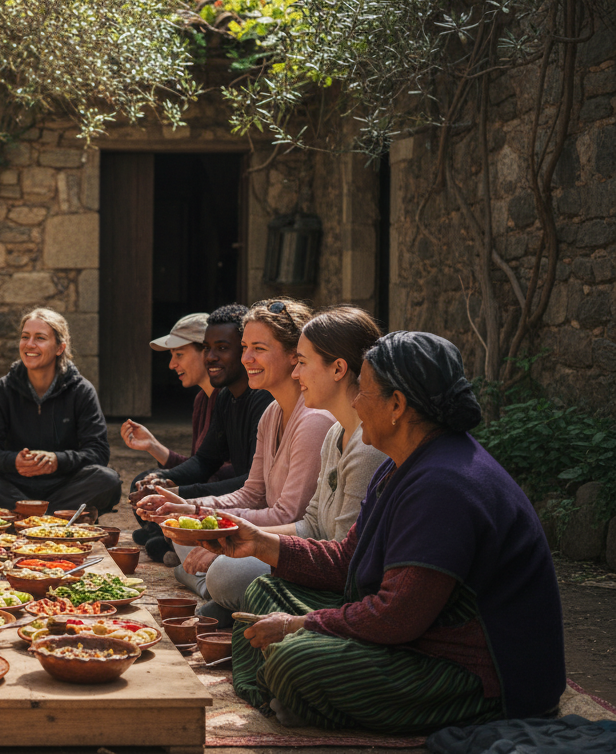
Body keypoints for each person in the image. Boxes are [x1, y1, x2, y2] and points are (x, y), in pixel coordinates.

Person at [199, 332, 565, 733]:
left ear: (397, 405)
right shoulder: (399, 464)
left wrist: (299, 625)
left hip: (475, 673)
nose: (355, 401)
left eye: (364, 391)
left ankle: (292, 690)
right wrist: (261, 542)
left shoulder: (444, 485)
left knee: (295, 659)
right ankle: (283, 695)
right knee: (264, 591)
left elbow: (396, 617)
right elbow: (347, 560)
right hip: (417, 634)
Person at [177, 306, 388, 627]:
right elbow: (310, 522)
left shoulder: (361, 443)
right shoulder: (335, 432)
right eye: (244, 347)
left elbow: (345, 561)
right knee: (198, 543)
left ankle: (235, 600)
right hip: (314, 555)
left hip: (336, 578)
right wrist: (220, 526)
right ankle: (232, 600)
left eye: (302, 363)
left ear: (338, 369)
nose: (296, 374)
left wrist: (249, 541)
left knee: (225, 573)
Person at [139, 298, 334, 596]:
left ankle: (207, 584)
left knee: (224, 574)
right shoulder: (272, 412)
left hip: (289, 545)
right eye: (244, 348)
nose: (247, 359)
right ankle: (211, 586)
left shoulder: (313, 420)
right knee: (183, 532)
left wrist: (210, 521)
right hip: (258, 533)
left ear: (294, 355)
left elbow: (287, 517)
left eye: (259, 349)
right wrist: (192, 510)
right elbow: (252, 493)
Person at [130, 304, 274, 562]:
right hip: (239, 499)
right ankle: (175, 539)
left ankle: (177, 541)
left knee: (218, 572)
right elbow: (205, 460)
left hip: (261, 512)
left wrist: (179, 494)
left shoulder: (264, 400)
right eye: (207, 348)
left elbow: (253, 486)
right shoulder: (226, 397)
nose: (210, 357)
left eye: (222, 348)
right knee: (147, 486)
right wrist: (163, 479)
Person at [0, 308, 122, 513]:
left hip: (63, 486)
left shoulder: (81, 391)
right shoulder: (3, 389)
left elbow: (98, 452)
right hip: (14, 485)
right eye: (25, 337)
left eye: (40, 338)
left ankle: (24, 516)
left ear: (60, 348)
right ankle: (50, 517)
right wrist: (13, 461)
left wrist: (57, 460)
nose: (29, 344)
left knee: (107, 480)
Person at [120, 312, 233, 484]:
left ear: (206, 352)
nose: (172, 365)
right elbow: (197, 467)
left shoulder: (232, 399)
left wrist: (174, 485)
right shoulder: (202, 399)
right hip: (206, 488)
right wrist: (153, 446)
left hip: (227, 493)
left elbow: (227, 475)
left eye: (179, 354)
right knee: (144, 482)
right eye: (171, 355)